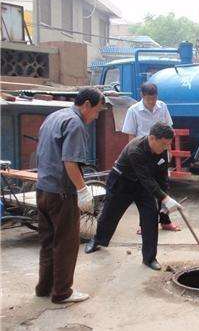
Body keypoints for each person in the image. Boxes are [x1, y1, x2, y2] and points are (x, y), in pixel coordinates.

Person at [35, 87, 105, 303]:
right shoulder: (75, 123)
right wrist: (83, 190)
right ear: (86, 105)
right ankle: (62, 292)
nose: (96, 117)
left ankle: (44, 288)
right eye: (97, 111)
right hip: (62, 193)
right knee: (66, 243)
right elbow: (70, 162)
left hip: (43, 189)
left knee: (48, 241)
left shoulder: (54, 116)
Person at [85, 122, 183, 270]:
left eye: (168, 145)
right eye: (163, 144)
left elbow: (161, 176)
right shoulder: (135, 149)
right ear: (152, 138)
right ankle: (98, 240)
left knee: (150, 218)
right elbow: (146, 178)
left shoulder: (162, 149)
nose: (165, 148)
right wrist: (165, 198)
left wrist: (164, 199)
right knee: (110, 214)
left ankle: (149, 258)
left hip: (143, 186)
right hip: (122, 182)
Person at [122, 82, 180, 232]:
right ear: (142, 96)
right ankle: (145, 225)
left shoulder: (162, 107)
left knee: (164, 185)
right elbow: (131, 137)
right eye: (149, 99)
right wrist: (132, 159)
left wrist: (169, 151)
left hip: (160, 153)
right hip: (142, 155)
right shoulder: (133, 111)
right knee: (145, 189)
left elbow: (169, 130)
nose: (152, 102)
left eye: (154, 99)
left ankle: (165, 221)